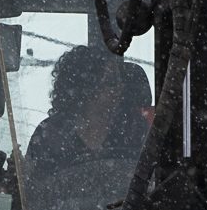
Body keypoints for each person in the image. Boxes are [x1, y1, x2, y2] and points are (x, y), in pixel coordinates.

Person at [25, 45, 152, 179]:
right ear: (87, 89)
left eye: (120, 80)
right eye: (112, 82)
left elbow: (148, 179)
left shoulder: (133, 126)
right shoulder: (50, 133)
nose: (120, 87)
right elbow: (36, 190)